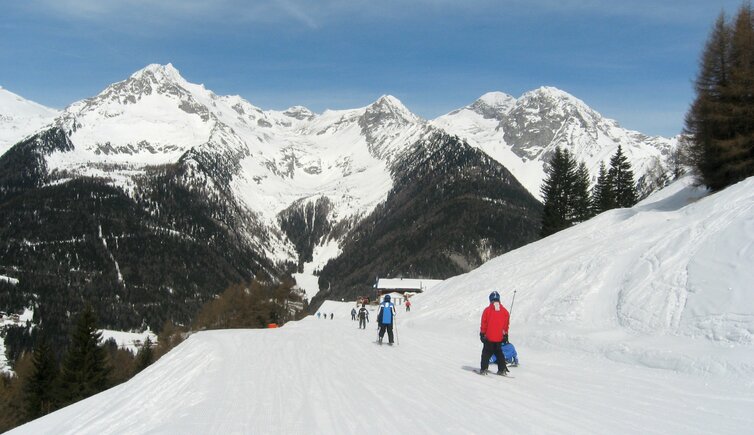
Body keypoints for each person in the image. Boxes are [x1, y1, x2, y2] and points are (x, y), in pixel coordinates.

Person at [479, 291, 510, 376]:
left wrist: (482, 334)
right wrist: (505, 335)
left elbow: (484, 324)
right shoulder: (505, 312)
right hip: (499, 338)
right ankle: (502, 369)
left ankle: (484, 369)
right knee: (499, 353)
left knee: (486, 353)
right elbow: (506, 325)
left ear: (490, 299)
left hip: (489, 337)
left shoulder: (487, 311)